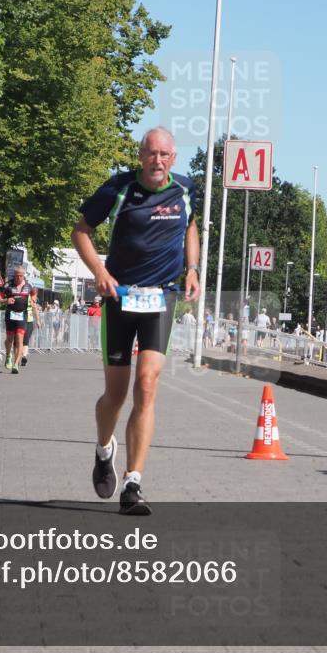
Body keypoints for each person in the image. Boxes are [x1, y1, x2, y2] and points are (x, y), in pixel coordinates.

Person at [71, 126, 199, 515]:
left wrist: (192, 268)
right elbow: (80, 232)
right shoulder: (119, 188)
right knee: (116, 394)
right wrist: (99, 271)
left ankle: (133, 482)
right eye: (151, 154)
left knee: (148, 383)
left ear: (173, 158)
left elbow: (191, 226)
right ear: (140, 156)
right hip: (120, 297)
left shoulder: (186, 189)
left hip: (161, 297)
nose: (158, 161)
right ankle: (103, 449)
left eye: (164, 155)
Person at [0, 266, 38, 373]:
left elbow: (34, 294)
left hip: (22, 316)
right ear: (13, 275)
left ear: (23, 275)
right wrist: (6, 300)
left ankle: (16, 364)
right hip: (10, 315)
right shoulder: (8, 285)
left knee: (20, 339)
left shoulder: (29, 285)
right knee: (9, 339)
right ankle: (7, 355)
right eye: (16, 276)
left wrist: (33, 300)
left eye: (20, 276)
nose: (18, 278)